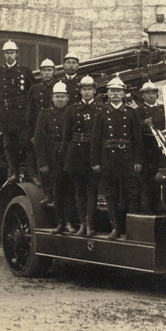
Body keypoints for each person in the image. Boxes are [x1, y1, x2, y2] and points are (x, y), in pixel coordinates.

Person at [91, 76, 144, 240]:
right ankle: (115, 228)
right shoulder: (101, 114)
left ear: (123, 93)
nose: (115, 94)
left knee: (132, 193)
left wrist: (138, 160)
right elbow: (95, 139)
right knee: (110, 194)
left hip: (128, 158)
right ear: (107, 93)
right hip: (108, 158)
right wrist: (95, 161)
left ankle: (132, 229)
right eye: (112, 91)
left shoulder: (131, 113)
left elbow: (137, 139)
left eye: (118, 91)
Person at [0, 40, 37, 182]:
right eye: (7, 53)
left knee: (27, 144)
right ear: (3, 55)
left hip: (22, 115)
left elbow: (34, 90)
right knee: (9, 146)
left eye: (12, 53)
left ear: (17, 54)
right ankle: (14, 174)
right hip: (6, 115)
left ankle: (33, 174)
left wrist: (30, 107)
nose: (10, 55)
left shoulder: (25, 71)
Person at [62, 75, 101, 237]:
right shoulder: (72, 110)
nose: (87, 92)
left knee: (92, 190)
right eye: (84, 89)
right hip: (76, 154)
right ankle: (82, 223)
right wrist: (66, 158)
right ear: (80, 91)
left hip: (93, 154)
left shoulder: (100, 109)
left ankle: (90, 223)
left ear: (95, 91)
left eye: (89, 89)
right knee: (79, 190)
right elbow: (66, 137)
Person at [33, 82, 75, 233]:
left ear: (67, 98)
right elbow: (39, 141)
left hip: (70, 156)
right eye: (57, 97)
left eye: (63, 97)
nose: (60, 100)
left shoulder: (72, 112)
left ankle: (70, 222)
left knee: (70, 191)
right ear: (52, 98)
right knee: (57, 192)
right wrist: (43, 163)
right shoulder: (45, 115)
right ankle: (60, 222)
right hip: (53, 158)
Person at [25, 58, 58, 184]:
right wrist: (31, 133)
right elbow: (30, 113)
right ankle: (37, 178)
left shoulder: (59, 87)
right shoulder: (34, 89)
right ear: (41, 73)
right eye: (44, 70)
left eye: (49, 70)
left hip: (55, 127)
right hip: (39, 127)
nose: (47, 73)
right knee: (40, 155)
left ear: (54, 72)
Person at [137, 80, 166, 215]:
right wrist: (145, 124)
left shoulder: (163, 109)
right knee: (147, 183)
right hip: (147, 151)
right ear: (142, 96)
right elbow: (138, 128)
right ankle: (149, 211)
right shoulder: (138, 111)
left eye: (153, 93)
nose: (151, 96)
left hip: (162, 150)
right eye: (147, 93)